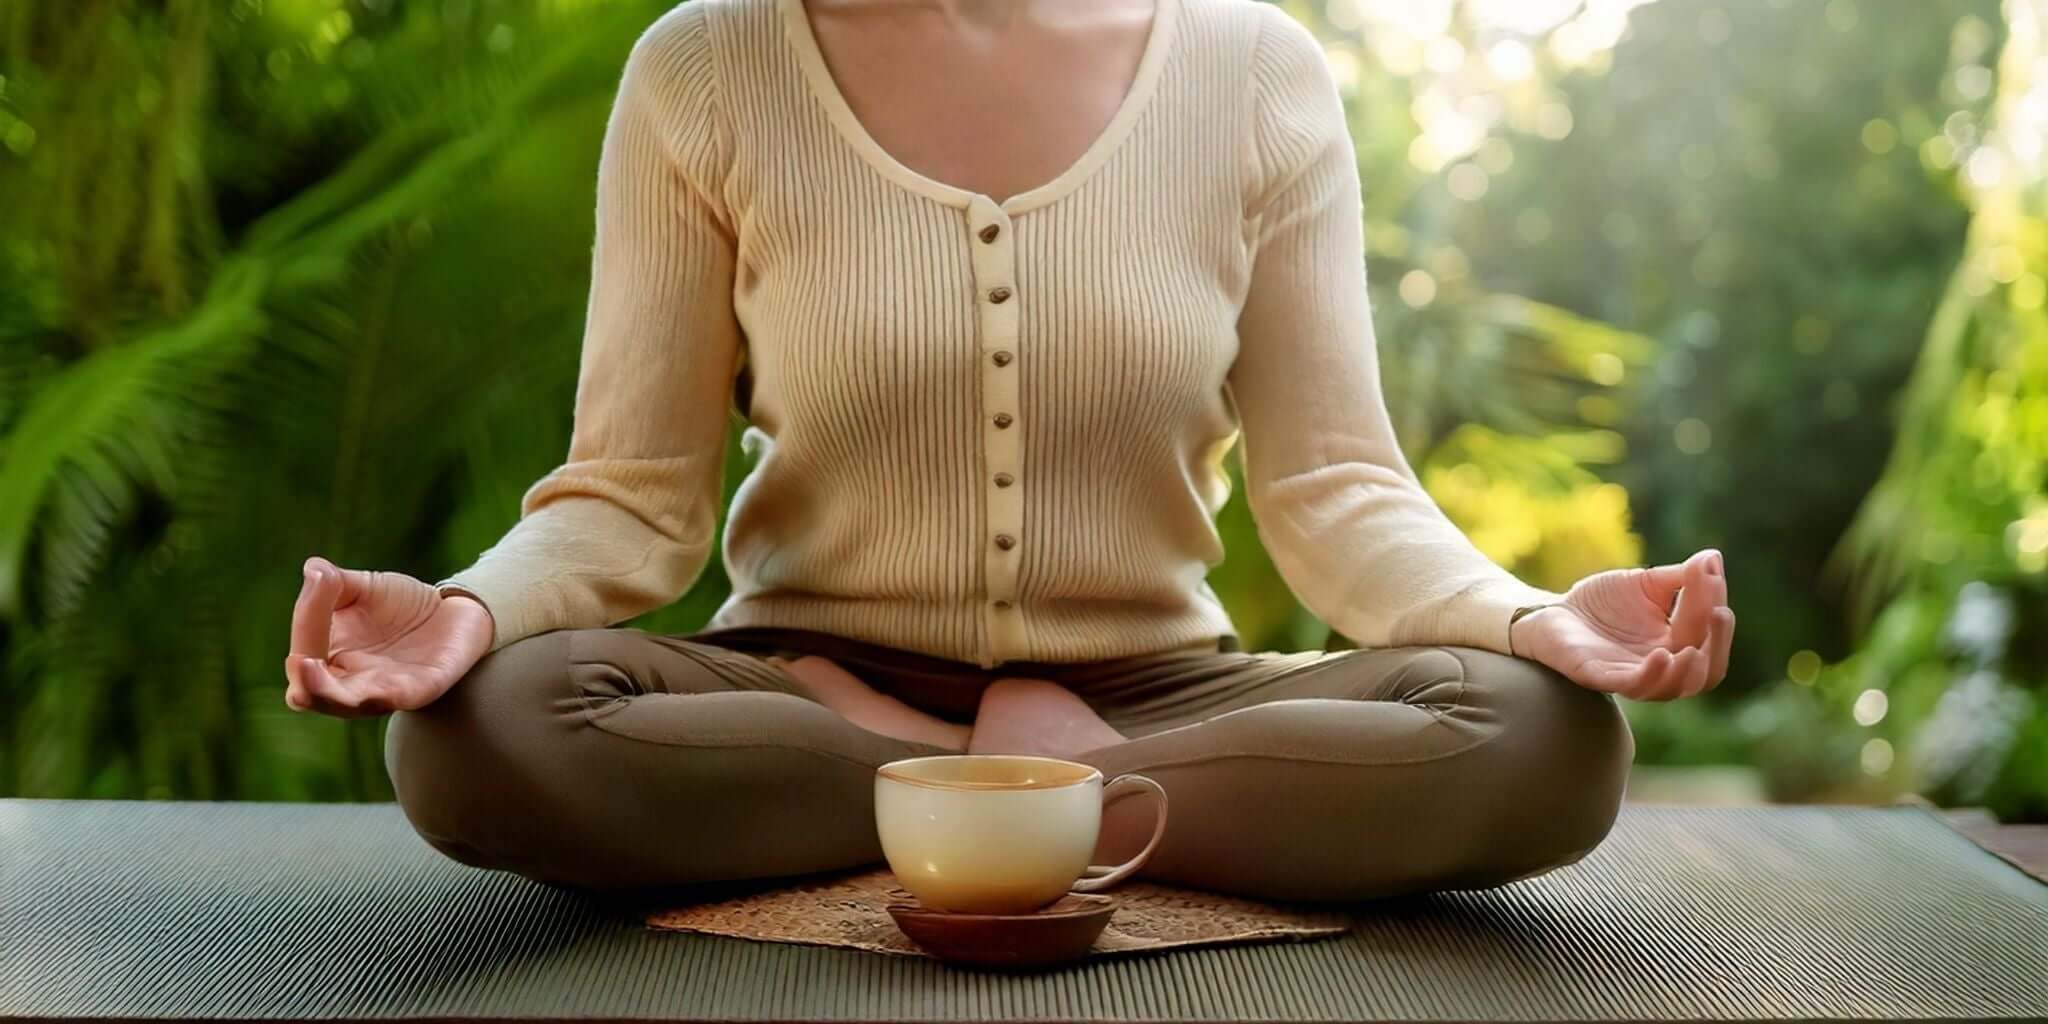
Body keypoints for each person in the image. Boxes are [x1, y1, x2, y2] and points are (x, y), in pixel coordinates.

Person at [283, 0, 1735, 904]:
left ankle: (1014, 783)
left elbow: (1338, 493)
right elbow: (630, 500)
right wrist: (467, 613)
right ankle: (976, 770)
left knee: (1549, 744)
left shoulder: (1254, 71)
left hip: (1160, 688)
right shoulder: (707, 69)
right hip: (805, 686)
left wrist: (1537, 621)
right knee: (477, 738)